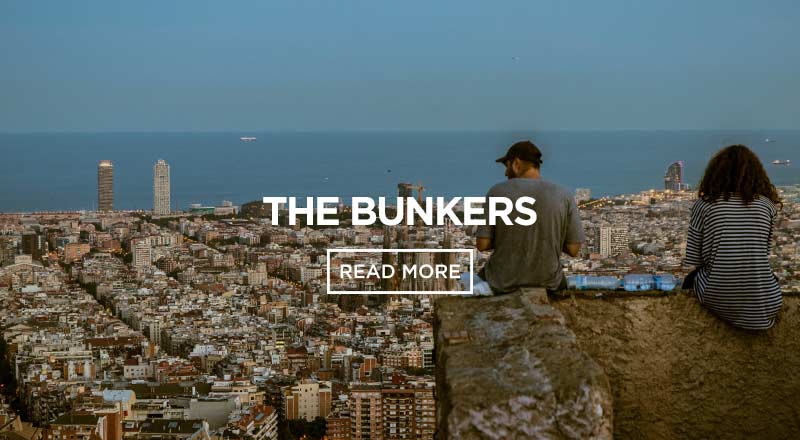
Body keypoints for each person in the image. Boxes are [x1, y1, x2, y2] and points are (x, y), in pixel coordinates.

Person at [684, 144, 783, 330]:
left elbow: (693, 259)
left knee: (691, 279)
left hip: (718, 297)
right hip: (768, 301)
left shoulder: (704, 205)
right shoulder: (766, 206)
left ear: (715, 173)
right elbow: (763, 252)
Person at [474, 140, 584, 295]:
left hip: (502, 283)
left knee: (469, 282)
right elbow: (574, 249)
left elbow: (482, 244)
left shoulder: (497, 192)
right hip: (549, 283)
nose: (506, 173)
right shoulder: (564, 194)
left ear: (516, 164)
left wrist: (509, 236)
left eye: (506, 167)